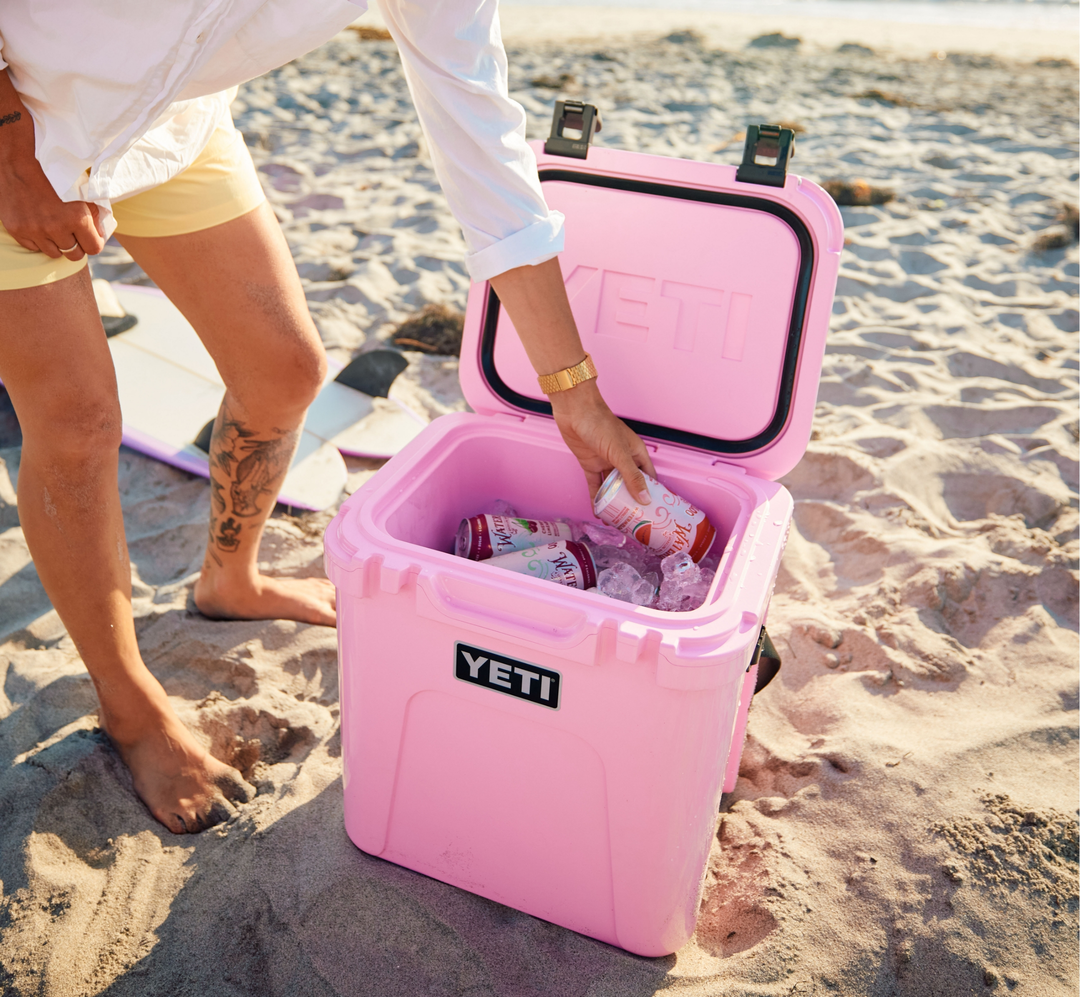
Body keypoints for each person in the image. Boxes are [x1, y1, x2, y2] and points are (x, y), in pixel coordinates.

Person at [0, 2, 655, 835]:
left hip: (165, 122)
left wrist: (574, 393)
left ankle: (228, 582)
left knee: (285, 369)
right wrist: (9, 139)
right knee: (78, 421)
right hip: (16, 119)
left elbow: (484, 145)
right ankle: (129, 706)